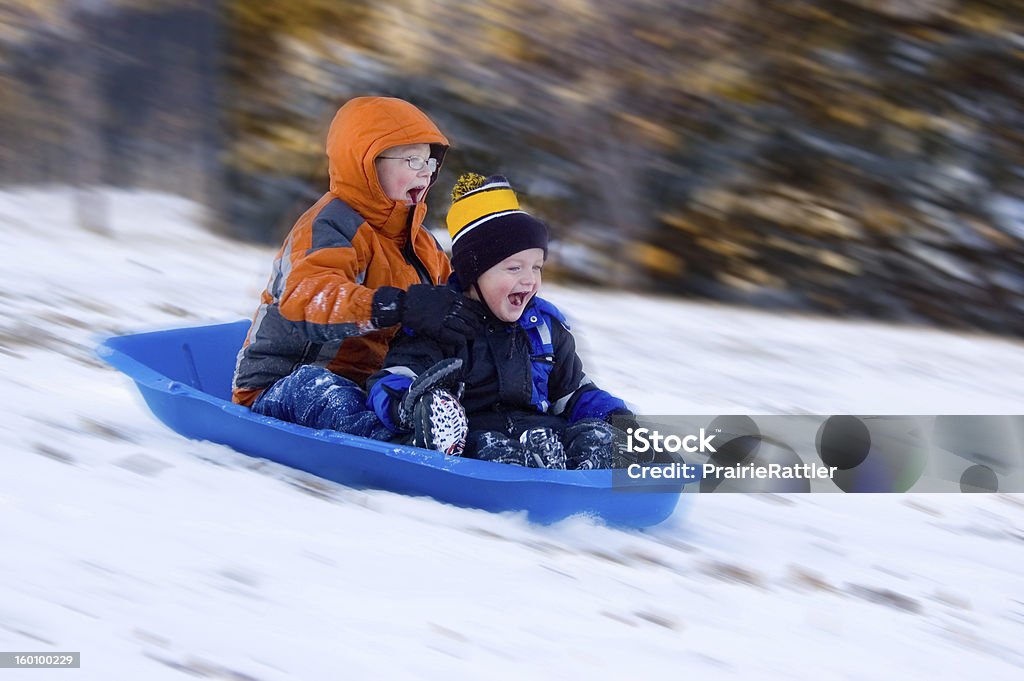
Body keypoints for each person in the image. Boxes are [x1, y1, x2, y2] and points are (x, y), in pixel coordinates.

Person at [232, 97, 480, 438]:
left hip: (372, 389)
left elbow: (453, 305)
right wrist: (396, 306)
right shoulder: (329, 226)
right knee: (322, 391)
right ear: (365, 163)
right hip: (283, 384)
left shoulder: (424, 247)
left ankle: (449, 432)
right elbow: (308, 298)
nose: (426, 171)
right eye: (412, 160)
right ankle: (401, 443)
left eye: (429, 161)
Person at [366, 173, 640, 469]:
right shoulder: (441, 324)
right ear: (475, 273)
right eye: (514, 268)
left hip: (542, 432)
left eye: (537, 267)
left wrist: (615, 418)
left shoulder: (544, 327)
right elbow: (392, 379)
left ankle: (592, 465)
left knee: (597, 437)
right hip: (472, 436)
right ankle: (530, 467)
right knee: (489, 449)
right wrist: (410, 405)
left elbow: (572, 392)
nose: (529, 279)